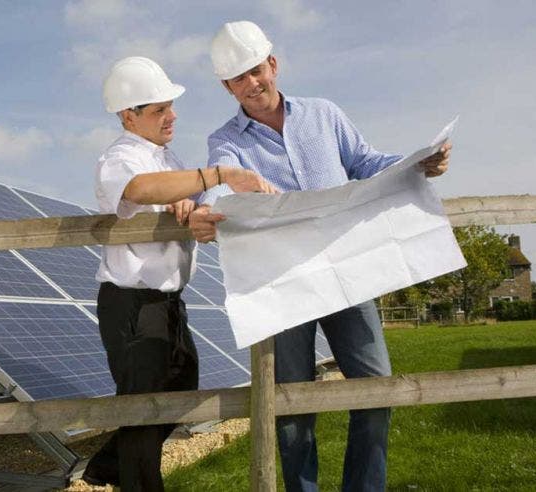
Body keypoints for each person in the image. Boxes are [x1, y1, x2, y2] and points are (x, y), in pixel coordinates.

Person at [188, 21, 452, 492]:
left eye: (255, 70)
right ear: (226, 86)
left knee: (375, 390)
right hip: (282, 285)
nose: (251, 84)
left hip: (346, 272)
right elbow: (223, 187)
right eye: (237, 79)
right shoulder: (227, 143)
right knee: (291, 409)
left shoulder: (324, 115)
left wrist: (416, 161)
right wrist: (207, 208)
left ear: (273, 64)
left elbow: (366, 162)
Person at [83, 56, 274, 491]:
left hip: (168, 301)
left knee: (182, 386)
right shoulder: (120, 157)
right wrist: (218, 174)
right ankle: (133, 480)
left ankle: (108, 467)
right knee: (143, 406)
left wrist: (191, 202)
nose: (172, 116)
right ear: (128, 115)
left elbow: (173, 191)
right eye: (159, 110)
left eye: (170, 106)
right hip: (132, 301)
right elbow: (139, 190)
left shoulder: (166, 157)